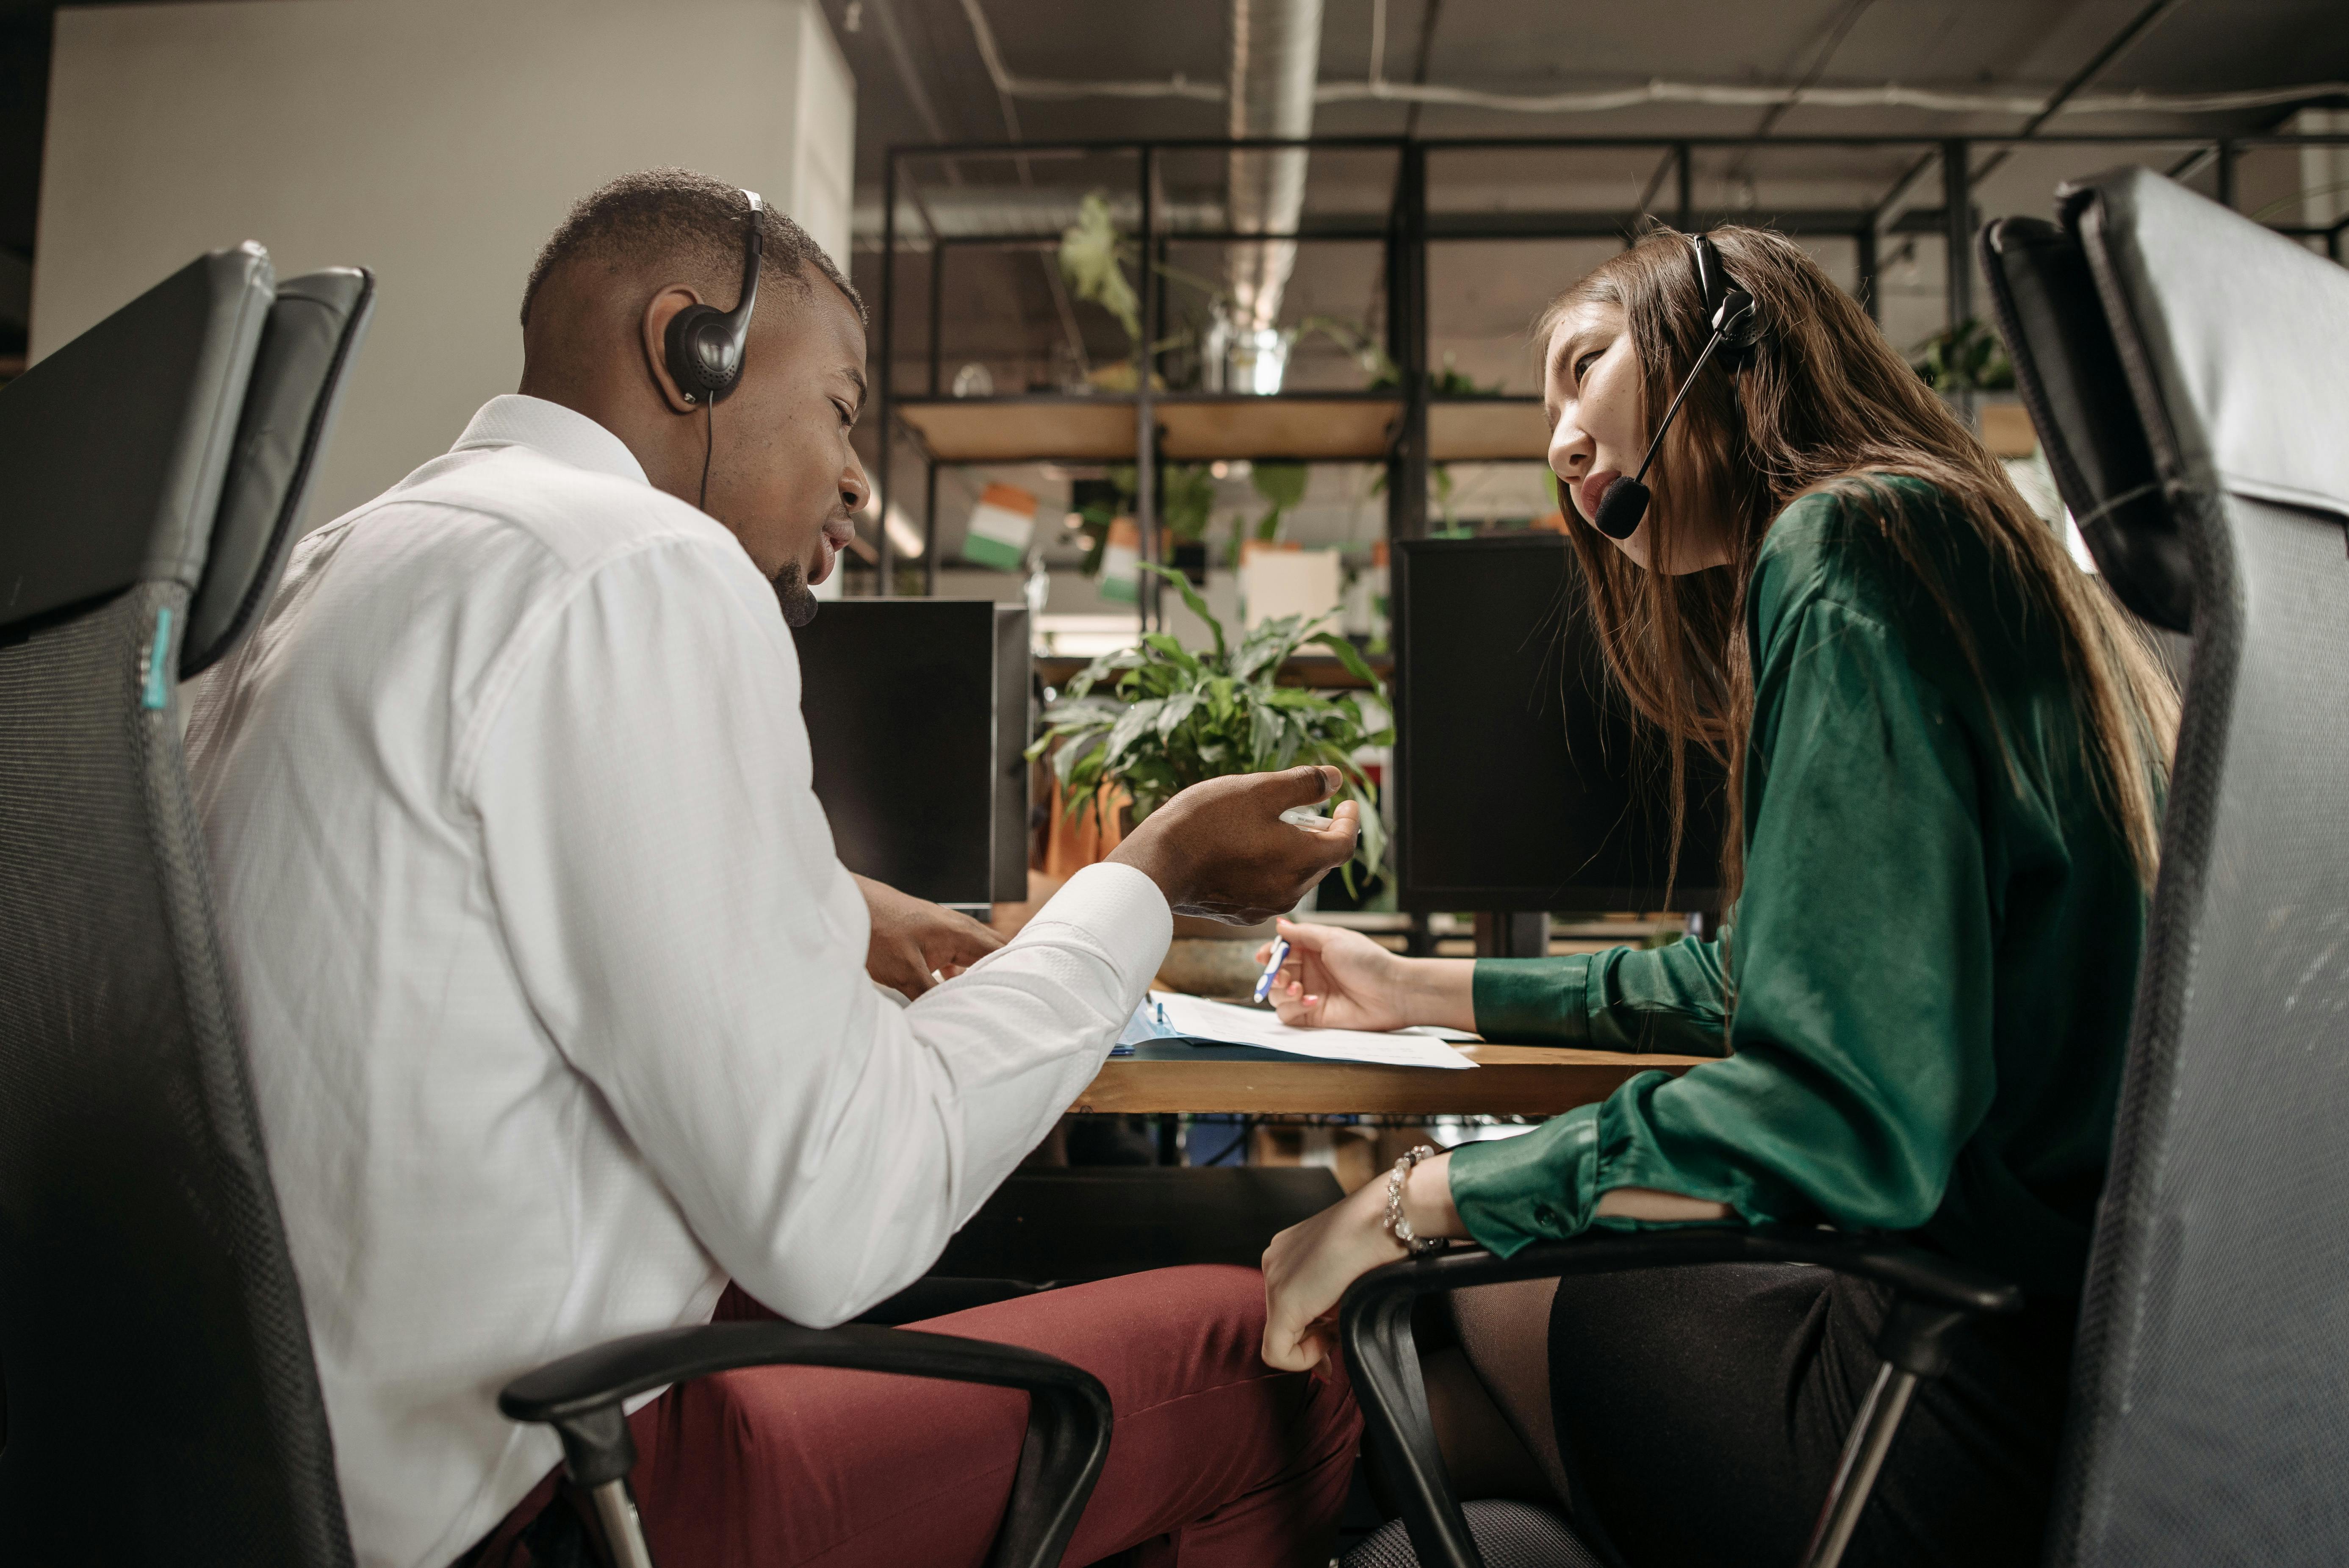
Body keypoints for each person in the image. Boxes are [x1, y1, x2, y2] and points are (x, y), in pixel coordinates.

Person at [186, 168, 1362, 1568]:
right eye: (843, 408)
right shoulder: (639, 565)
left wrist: (820, 901)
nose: (860, 475)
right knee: (1266, 1351)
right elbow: (843, 1215)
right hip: (529, 1499)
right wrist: (1149, 878)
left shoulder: (346, 561)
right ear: (696, 345)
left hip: (275, 1465)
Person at [1255, 224, 2178, 1567]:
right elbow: (1763, 987)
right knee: (1457, 1425)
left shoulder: (1850, 542)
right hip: (2106, 1410)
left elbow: (1829, 1114)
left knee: (1440, 1295)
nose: (1564, 442)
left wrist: (1409, 1198)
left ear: (1733, 336)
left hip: (1931, 1436)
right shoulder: (1979, 547)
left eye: (1584, 370)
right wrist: (1412, 987)